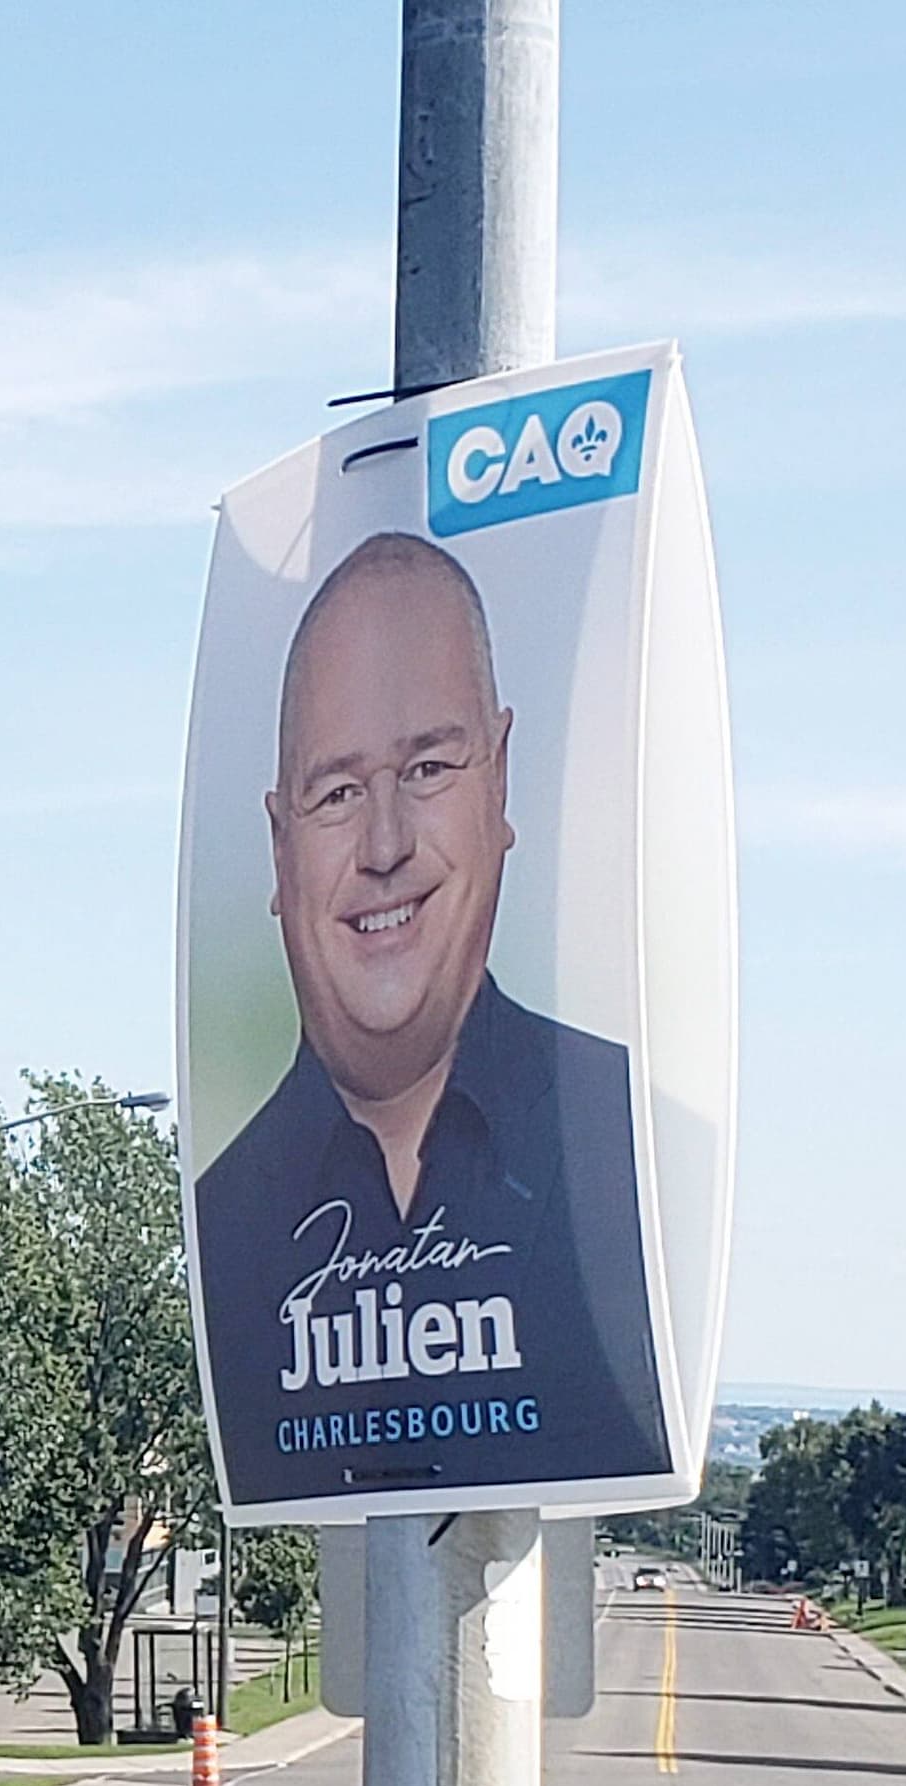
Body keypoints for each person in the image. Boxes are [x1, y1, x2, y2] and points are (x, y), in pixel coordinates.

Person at [191, 528, 669, 1506]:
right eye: (336, 793)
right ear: (281, 849)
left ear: (501, 779)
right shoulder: (221, 1224)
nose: (385, 845)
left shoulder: (639, 1150)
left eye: (428, 771)